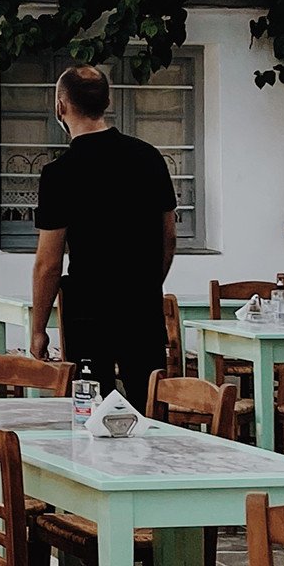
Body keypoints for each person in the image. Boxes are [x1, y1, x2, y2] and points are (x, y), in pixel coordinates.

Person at [29, 65, 176, 410]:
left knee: (92, 413)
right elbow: (168, 238)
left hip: (88, 310)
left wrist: (39, 329)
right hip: (142, 304)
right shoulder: (149, 158)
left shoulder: (59, 174)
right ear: (108, 102)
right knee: (150, 406)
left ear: (60, 107)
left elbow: (47, 264)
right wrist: (148, 284)